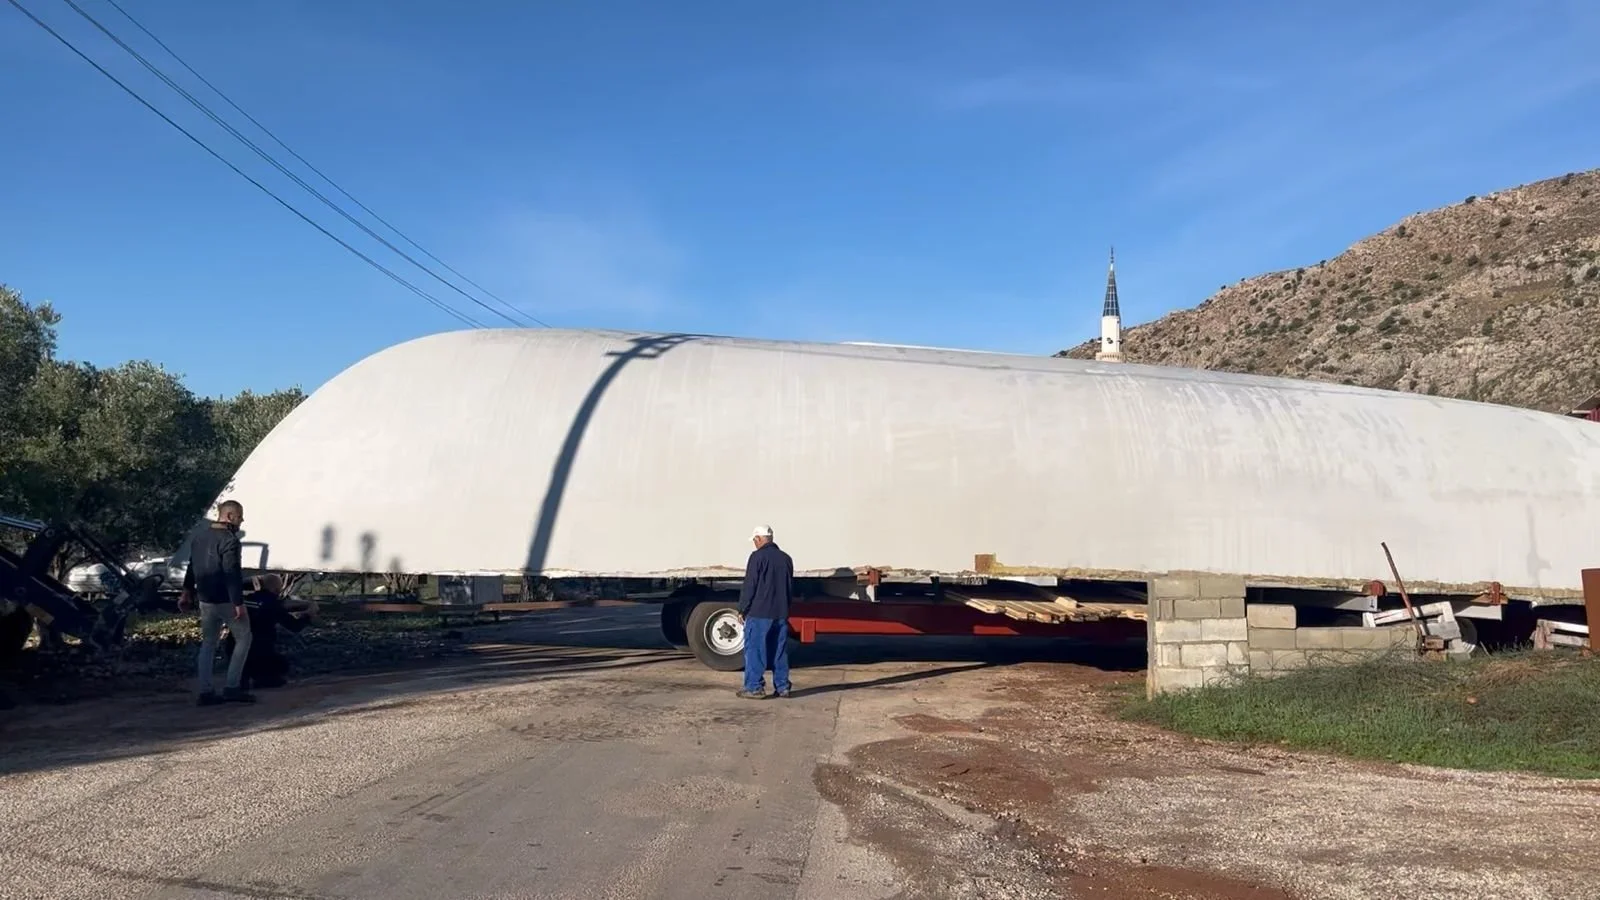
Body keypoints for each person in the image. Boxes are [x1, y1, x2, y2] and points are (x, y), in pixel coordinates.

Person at [180, 500, 254, 705]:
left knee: (208, 643)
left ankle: (205, 691)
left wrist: (186, 592)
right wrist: (238, 603)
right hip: (226, 600)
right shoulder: (230, 540)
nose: (241, 521)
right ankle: (232, 686)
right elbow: (231, 572)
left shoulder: (199, 538)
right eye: (239, 516)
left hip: (205, 600)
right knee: (244, 638)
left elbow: (192, 567)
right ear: (229, 516)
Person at [224, 573, 317, 691]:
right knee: (281, 664)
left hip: (234, 648)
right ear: (276, 589)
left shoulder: (246, 600)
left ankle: (241, 680)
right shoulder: (273, 604)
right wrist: (308, 615)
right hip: (259, 651)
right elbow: (294, 626)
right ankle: (263, 678)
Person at [736, 524, 794, 699]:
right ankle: (782, 687)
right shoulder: (786, 558)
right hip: (780, 612)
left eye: (755, 540)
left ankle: (754, 687)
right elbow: (789, 587)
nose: (754, 543)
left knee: (755, 650)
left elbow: (750, 585)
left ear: (759, 539)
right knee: (779, 650)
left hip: (759, 612)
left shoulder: (757, 557)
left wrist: (742, 609)